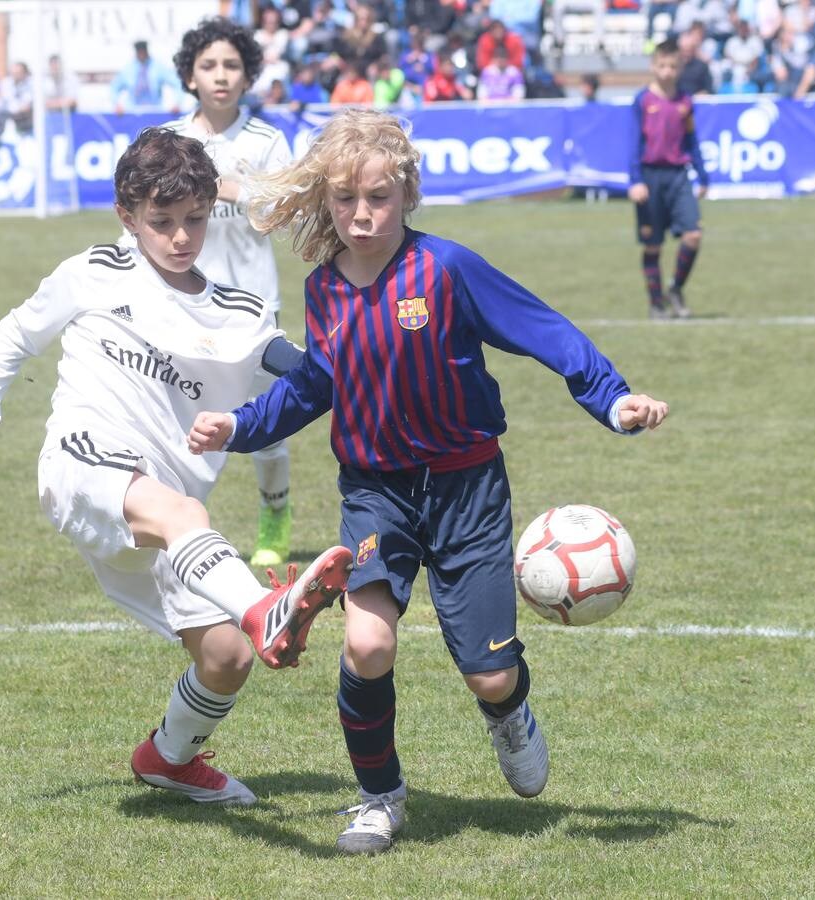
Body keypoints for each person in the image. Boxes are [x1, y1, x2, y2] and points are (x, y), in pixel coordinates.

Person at [187, 108, 670, 853]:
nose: (360, 215)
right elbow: (317, 384)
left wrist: (612, 397)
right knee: (368, 647)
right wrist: (241, 425)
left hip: (467, 488)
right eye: (345, 200)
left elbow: (544, 331)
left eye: (377, 198)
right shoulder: (324, 290)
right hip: (374, 492)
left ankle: (509, 714)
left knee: (488, 676)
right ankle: (380, 799)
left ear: (406, 195)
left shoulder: (445, 269)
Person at [0, 126, 352, 804]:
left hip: (161, 525)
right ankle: (266, 607)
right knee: (188, 516)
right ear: (128, 217)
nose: (180, 237)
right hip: (84, 460)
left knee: (226, 656)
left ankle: (169, 757)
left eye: (193, 219)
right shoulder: (92, 273)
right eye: (161, 222)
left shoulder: (238, 313)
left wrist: (375, 383)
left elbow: (308, 378)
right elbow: (14, 336)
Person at [160, 17, 297, 567]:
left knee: (266, 431)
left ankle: (275, 516)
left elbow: (281, 213)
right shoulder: (169, 141)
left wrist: (229, 188)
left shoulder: (267, 141)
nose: (221, 75)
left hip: (253, 307)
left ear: (248, 76)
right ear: (190, 76)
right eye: (209, 65)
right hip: (181, 305)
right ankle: (183, 527)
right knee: (179, 427)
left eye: (232, 66)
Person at [628, 39, 709, 320]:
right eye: (661, 65)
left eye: (672, 66)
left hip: (678, 176)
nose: (666, 71)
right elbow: (633, 143)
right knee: (654, 244)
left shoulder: (685, 102)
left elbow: (692, 140)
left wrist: (703, 174)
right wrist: (635, 180)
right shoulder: (642, 100)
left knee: (693, 235)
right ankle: (655, 303)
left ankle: (675, 288)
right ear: (653, 66)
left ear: (680, 67)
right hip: (650, 178)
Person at [110, 40, 181, 113]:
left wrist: (177, 103)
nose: (141, 53)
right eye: (139, 51)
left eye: (143, 51)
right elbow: (114, 87)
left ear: (147, 51)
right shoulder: (128, 69)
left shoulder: (158, 67)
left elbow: (177, 84)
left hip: (155, 112)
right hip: (132, 113)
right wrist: (117, 104)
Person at [0, 61, 33, 133]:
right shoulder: (5, 83)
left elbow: (27, 103)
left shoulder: (31, 83)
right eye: (13, 73)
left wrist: (20, 108)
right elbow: (6, 102)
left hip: (26, 118)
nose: (15, 75)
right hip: (9, 117)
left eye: (18, 73)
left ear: (25, 73)